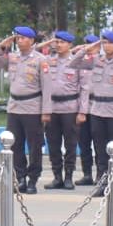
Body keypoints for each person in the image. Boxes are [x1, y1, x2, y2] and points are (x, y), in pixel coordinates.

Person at [0, 26, 48, 194]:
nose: (19, 40)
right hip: (15, 107)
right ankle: (21, 177)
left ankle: (32, 179)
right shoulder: (13, 58)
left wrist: (46, 111)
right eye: (18, 38)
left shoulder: (40, 60)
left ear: (32, 41)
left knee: (34, 146)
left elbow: (48, 87)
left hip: (33, 107)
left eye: (23, 38)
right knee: (14, 145)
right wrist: (2, 45)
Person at [71, 30, 113, 196]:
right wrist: (88, 48)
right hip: (97, 110)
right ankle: (101, 182)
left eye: (109, 42)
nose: (106, 45)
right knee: (100, 149)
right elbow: (74, 62)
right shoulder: (96, 60)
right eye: (104, 42)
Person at [41, 31, 87, 190]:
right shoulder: (48, 61)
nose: (58, 45)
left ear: (70, 44)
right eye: (56, 42)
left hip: (70, 108)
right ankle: (57, 177)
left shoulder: (77, 62)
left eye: (62, 42)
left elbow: (84, 88)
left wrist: (82, 111)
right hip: (52, 108)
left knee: (70, 144)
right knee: (53, 144)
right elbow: (34, 51)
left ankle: (68, 176)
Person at [73, 33, 99, 186]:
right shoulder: (80, 62)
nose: (88, 47)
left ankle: (101, 175)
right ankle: (87, 174)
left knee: (99, 144)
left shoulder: (102, 62)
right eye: (86, 44)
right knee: (83, 143)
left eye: (91, 44)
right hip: (82, 107)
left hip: (98, 106)